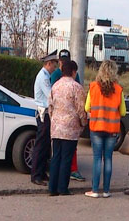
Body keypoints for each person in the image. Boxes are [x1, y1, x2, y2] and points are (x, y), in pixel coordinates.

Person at [84, 60, 126, 198]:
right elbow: (123, 112)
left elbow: (86, 108)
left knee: (97, 159)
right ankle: (106, 191)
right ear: (114, 72)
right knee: (108, 159)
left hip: (96, 127)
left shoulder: (93, 87)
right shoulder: (118, 89)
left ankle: (95, 190)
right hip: (112, 129)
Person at [48, 60, 87, 196]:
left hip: (56, 128)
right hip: (70, 129)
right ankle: (63, 188)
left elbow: (50, 107)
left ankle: (52, 188)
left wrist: (54, 120)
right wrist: (83, 123)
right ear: (73, 72)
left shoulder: (55, 86)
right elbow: (81, 110)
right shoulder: (77, 88)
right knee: (66, 158)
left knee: (56, 157)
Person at [31, 50, 58, 186]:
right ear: (48, 64)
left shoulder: (45, 76)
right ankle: (36, 175)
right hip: (44, 114)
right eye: (54, 65)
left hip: (46, 114)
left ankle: (41, 172)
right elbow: (50, 96)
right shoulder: (43, 77)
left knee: (46, 145)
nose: (55, 68)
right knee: (41, 145)